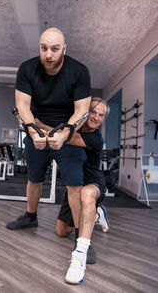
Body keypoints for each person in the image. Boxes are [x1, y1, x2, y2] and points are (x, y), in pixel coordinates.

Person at [6, 27, 91, 232]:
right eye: (44, 48)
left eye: (55, 49)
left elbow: (81, 111)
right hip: (37, 129)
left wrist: (64, 135)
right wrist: (33, 132)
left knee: (74, 185)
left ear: (64, 49)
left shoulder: (79, 71)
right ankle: (30, 216)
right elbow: (23, 106)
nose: (49, 55)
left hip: (66, 133)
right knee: (34, 178)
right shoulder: (27, 69)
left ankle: (81, 235)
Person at [61, 97, 110, 285]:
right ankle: (96, 214)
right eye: (93, 111)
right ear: (84, 111)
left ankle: (79, 256)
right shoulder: (74, 126)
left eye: (101, 115)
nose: (96, 117)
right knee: (62, 231)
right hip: (74, 186)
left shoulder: (95, 138)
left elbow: (68, 138)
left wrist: (42, 127)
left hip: (93, 184)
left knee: (87, 195)